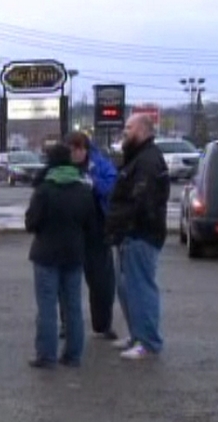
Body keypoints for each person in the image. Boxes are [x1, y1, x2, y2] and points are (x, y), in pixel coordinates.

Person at [25, 144, 96, 369]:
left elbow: (31, 223)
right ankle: (73, 354)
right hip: (74, 253)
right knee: (73, 306)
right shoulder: (84, 190)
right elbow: (91, 224)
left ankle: (47, 355)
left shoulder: (44, 190)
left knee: (47, 306)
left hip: (46, 253)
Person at [106, 114, 169, 360]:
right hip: (127, 235)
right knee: (126, 289)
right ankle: (136, 335)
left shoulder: (148, 161)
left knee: (141, 288)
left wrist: (126, 224)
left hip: (141, 235)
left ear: (142, 131)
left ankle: (148, 341)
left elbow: (142, 201)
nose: (124, 131)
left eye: (128, 128)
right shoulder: (137, 158)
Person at [64, 132, 119, 340]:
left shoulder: (100, 164)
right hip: (70, 230)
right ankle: (66, 323)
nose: (75, 153)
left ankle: (103, 324)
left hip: (97, 229)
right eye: (71, 149)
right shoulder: (61, 167)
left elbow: (112, 186)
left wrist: (93, 183)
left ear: (86, 149)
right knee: (67, 280)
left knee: (102, 282)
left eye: (79, 149)